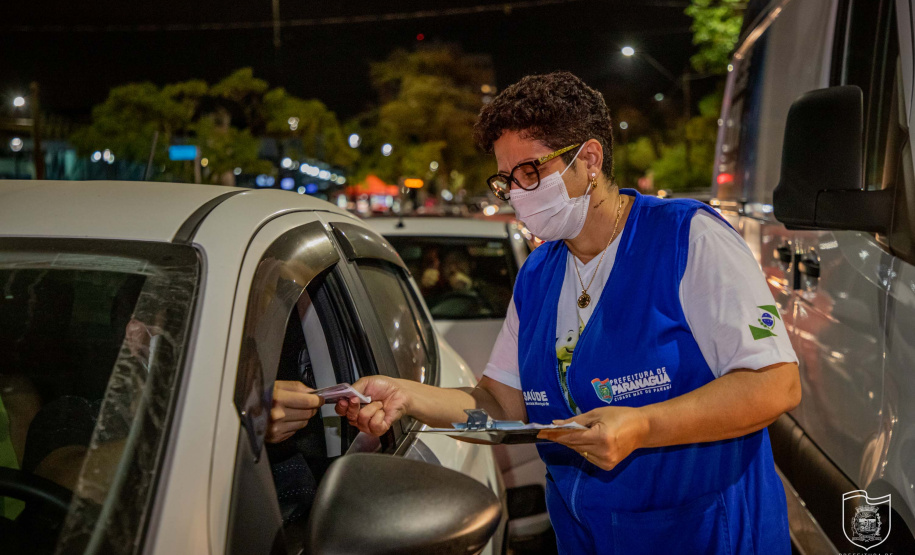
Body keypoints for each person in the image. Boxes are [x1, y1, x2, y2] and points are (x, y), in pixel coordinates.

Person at [332, 72, 801, 554]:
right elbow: (499, 408)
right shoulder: (538, 273)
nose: (517, 193)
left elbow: (775, 383)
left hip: (702, 532)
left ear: (590, 159)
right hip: (586, 536)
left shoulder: (688, 238)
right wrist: (409, 396)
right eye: (506, 180)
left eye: (529, 173)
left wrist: (643, 426)